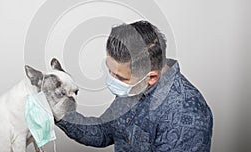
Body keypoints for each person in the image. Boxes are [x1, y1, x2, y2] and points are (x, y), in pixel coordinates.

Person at [54, 20, 213, 152]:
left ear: (151, 77)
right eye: (109, 70)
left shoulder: (187, 115)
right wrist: (58, 111)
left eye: (119, 77)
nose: (111, 79)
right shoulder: (135, 87)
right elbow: (103, 132)